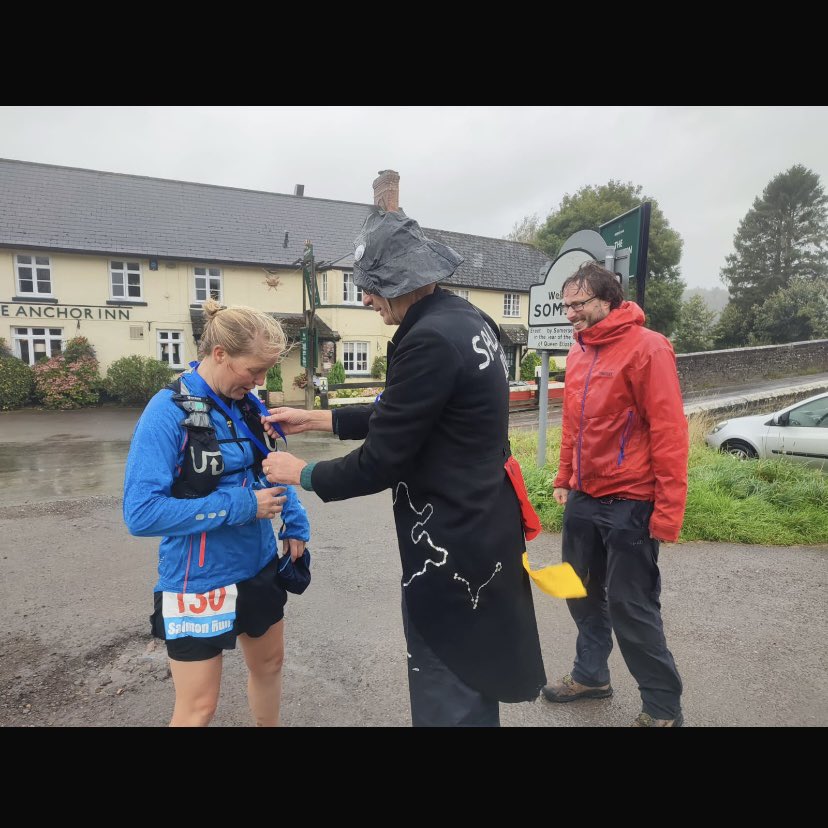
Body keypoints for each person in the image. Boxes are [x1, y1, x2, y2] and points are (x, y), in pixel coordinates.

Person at [262, 210, 546, 727]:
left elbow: (381, 462)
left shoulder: (428, 339)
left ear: (399, 281)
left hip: (449, 545)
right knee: (476, 675)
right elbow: (414, 411)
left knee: (448, 683)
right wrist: (321, 418)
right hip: (485, 526)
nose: (366, 300)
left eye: (370, 288)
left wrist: (300, 473)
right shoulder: (467, 320)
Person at [124, 300, 310, 727]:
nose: (260, 381)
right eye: (255, 370)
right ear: (220, 353)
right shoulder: (166, 411)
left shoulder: (246, 403)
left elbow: (268, 466)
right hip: (198, 581)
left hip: (259, 566)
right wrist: (242, 506)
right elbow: (141, 513)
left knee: (270, 666)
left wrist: (295, 519)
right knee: (199, 707)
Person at [541, 260, 688, 727]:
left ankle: (662, 708)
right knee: (579, 591)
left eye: (578, 304)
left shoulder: (649, 348)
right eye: (565, 305)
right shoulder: (579, 350)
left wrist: (668, 513)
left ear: (608, 299)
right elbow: (573, 424)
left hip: (631, 500)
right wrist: (565, 477)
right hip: (585, 496)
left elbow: (669, 432)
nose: (570, 313)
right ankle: (591, 676)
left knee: (631, 605)